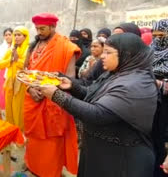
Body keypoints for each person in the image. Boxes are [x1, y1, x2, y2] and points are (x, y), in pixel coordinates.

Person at [39, 33, 157, 177]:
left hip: (122, 158)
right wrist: (72, 86)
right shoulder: (117, 74)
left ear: (127, 54)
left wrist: (56, 95)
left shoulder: (136, 84)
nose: (102, 56)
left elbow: (98, 114)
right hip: (101, 150)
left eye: (108, 52)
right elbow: (94, 95)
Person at [23, 13, 81, 177]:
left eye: (43, 28)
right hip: (33, 101)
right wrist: (30, 89)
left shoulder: (66, 47)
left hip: (53, 103)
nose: (39, 32)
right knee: (34, 141)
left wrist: (49, 91)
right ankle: (32, 166)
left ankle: (49, 172)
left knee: (51, 144)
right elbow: (24, 73)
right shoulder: (33, 46)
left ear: (53, 27)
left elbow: (70, 80)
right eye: (37, 28)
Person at [0, 26, 29, 131]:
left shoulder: (29, 49)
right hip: (10, 82)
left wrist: (17, 59)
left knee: (18, 109)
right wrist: (10, 60)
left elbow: (27, 65)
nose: (16, 37)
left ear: (25, 36)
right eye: (15, 35)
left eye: (19, 35)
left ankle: (20, 132)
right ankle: (11, 131)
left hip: (21, 84)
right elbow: (0, 64)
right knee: (9, 107)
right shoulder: (11, 49)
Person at [150, 19, 168, 177]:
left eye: (161, 35)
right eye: (154, 35)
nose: (157, 38)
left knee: (161, 140)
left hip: (166, 107)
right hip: (149, 101)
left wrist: (159, 84)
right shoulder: (149, 51)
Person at [0, 28, 13, 111]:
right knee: (3, 90)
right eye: (6, 35)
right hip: (3, 71)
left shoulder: (16, 47)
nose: (8, 37)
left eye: (9, 34)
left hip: (12, 72)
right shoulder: (2, 48)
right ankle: (3, 108)